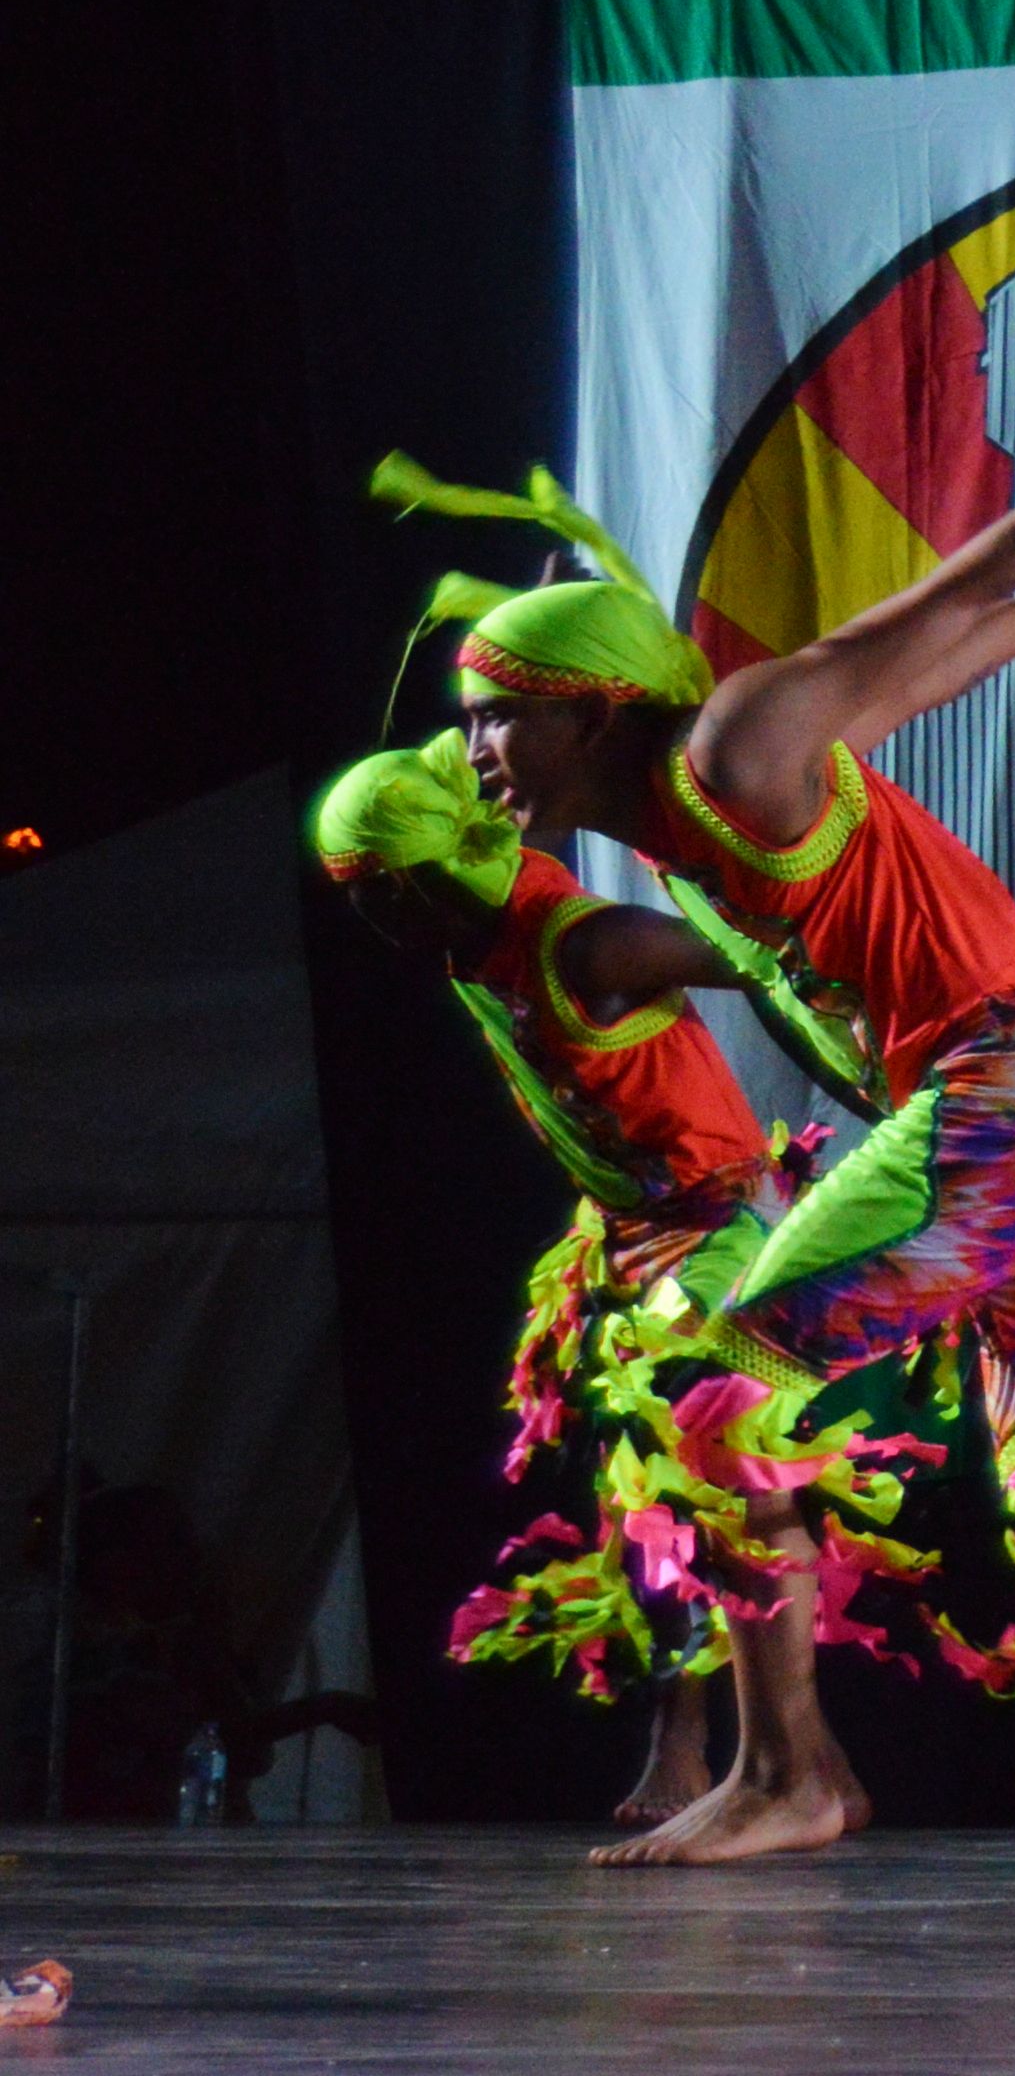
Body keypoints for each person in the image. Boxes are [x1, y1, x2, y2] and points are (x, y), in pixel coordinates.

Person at [393, 411, 1015, 1875]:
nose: (477, 745)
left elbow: (911, 613)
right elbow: (924, 676)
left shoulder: (731, 751)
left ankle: (783, 1774)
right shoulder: (707, 842)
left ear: (598, 710)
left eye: (504, 712)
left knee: (711, 1394)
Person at [302, 733, 902, 1835]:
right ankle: (795, 1759)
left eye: (382, 892)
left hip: (716, 1219)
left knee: (721, 1470)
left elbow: (762, 953)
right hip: (630, 1228)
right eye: (358, 898)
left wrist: (970, 969)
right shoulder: (471, 922)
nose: (375, 922)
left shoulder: (590, 946)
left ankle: (773, 1765)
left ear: (431, 877)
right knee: (643, 1501)